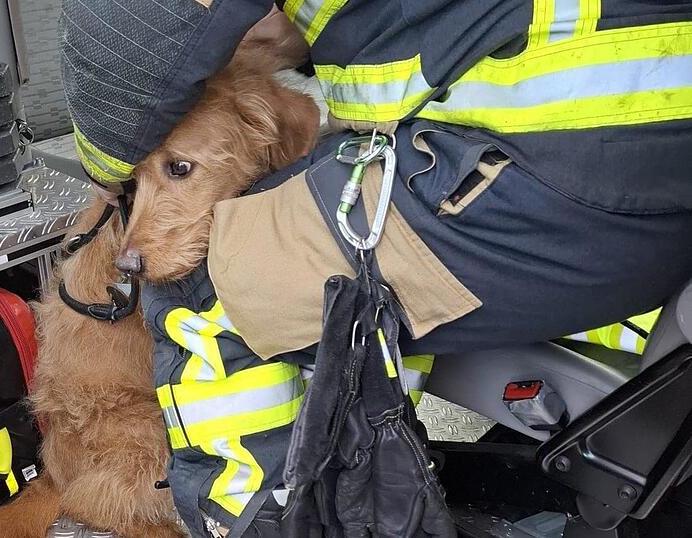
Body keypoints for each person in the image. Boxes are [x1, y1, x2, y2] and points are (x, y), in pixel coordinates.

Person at [61, 1, 692, 536]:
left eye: (174, 172)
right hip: (652, 167)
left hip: (547, 164)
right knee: (347, 268)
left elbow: (127, 39)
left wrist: (110, 166)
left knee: (214, 279)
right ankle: (382, 482)